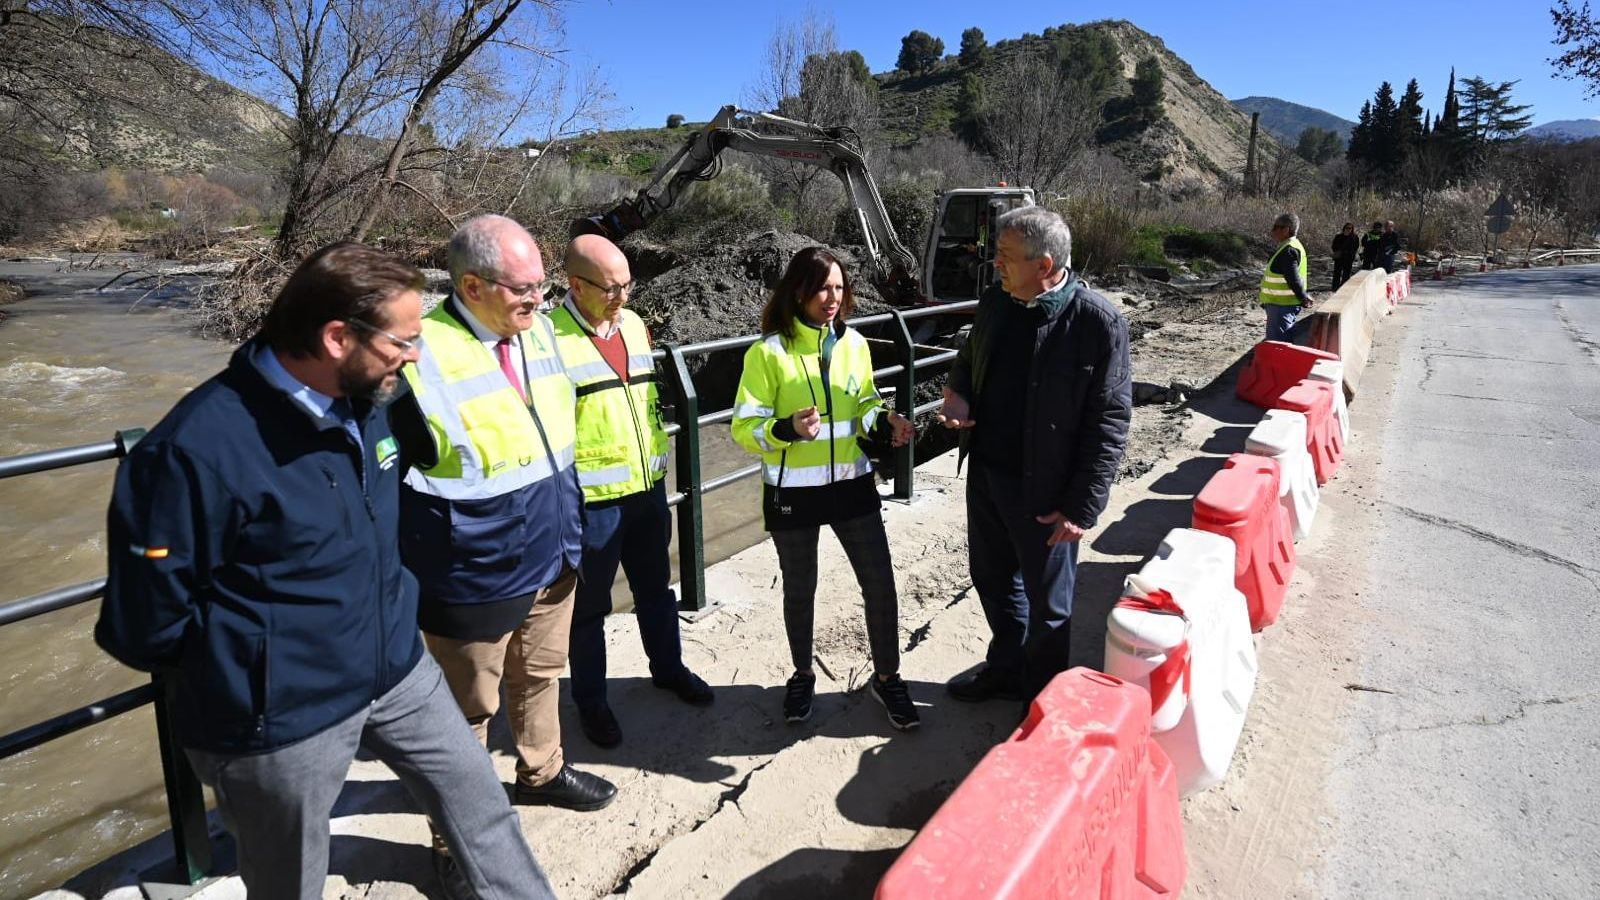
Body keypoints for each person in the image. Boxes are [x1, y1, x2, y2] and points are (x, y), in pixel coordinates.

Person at [95, 243, 555, 900]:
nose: (417, 355)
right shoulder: (192, 452)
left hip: (400, 671)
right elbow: (143, 626)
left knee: (486, 818)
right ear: (338, 337)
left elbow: (411, 467)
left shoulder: (377, 396)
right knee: (290, 885)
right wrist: (260, 671)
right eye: (405, 339)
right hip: (282, 719)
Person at [390, 214, 616, 817]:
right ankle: (460, 832)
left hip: (553, 547)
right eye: (524, 288)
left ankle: (542, 772)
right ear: (470, 288)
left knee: (541, 674)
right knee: (464, 711)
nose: (539, 299)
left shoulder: (537, 330)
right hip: (472, 571)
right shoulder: (416, 353)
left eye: (541, 285)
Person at [937, 206, 1132, 703]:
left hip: (1047, 491)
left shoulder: (1097, 322)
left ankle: (1042, 701)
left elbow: (1109, 421)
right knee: (993, 580)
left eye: (1004, 257)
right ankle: (1005, 669)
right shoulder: (997, 302)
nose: (995, 265)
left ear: (1044, 265)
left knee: (1050, 605)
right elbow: (968, 357)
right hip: (987, 473)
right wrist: (958, 392)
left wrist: (1082, 507)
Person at [731, 246, 920, 730]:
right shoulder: (766, 353)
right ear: (798, 291)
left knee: (879, 582)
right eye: (821, 288)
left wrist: (887, 422)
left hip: (853, 485)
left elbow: (864, 405)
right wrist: (787, 428)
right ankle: (801, 676)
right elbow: (742, 427)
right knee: (800, 590)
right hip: (794, 492)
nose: (831, 297)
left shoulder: (855, 345)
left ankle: (887, 677)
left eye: (838, 287)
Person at [551, 234, 713, 748]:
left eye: (627, 284)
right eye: (611, 287)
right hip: (591, 503)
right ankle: (592, 703)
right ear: (576, 285)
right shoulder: (546, 338)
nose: (623, 295)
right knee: (588, 609)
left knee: (656, 591)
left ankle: (668, 669)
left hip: (647, 491)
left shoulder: (636, 325)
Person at [1259, 212, 1315, 343]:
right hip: (1282, 305)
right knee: (1282, 341)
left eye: (1276, 227)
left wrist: (1303, 297)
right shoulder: (1291, 246)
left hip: (1281, 306)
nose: (1272, 231)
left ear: (1286, 230)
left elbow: (1293, 278)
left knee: (1278, 344)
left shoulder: (1288, 250)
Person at [1331, 222, 1360, 290]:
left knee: (1346, 274)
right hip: (1339, 258)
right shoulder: (1338, 236)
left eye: (1350, 228)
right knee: (1337, 273)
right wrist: (1339, 250)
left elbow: (1356, 247)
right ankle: (1335, 287)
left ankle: (1344, 287)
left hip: (1348, 258)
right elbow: (1333, 246)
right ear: (1344, 228)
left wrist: (1350, 253)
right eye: (1347, 228)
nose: (1348, 230)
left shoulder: (1354, 237)